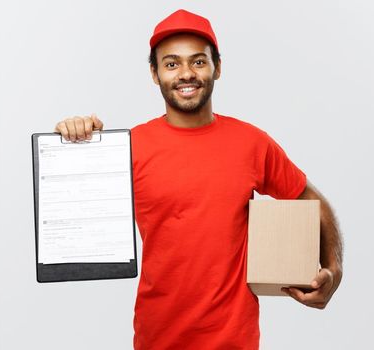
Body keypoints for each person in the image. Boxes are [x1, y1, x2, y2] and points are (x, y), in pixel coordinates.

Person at [54, 9, 344, 350]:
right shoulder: (129, 147)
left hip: (235, 340)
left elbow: (310, 200)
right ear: (155, 73)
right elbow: (76, 207)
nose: (186, 74)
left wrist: (333, 270)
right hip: (157, 339)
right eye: (172, 63)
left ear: (217, 68)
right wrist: (77, 143)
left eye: (198, 62)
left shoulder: (251, 143)